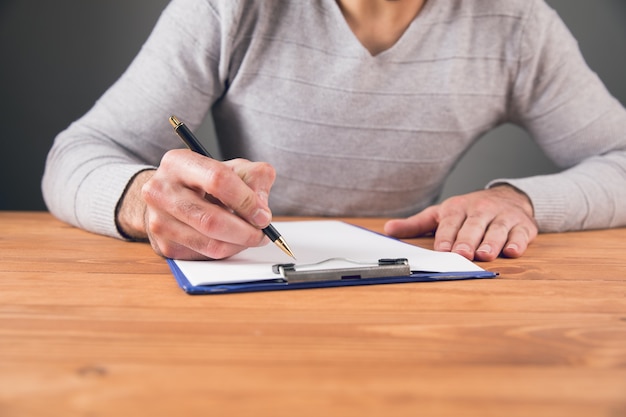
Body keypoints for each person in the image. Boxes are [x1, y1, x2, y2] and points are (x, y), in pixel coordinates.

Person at [42, 0, 626, 262]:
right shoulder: (228, 7)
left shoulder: (515, 23)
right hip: (239, 289)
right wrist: (147, 203)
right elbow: (78, 155)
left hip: (413, 292)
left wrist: (518, 200)